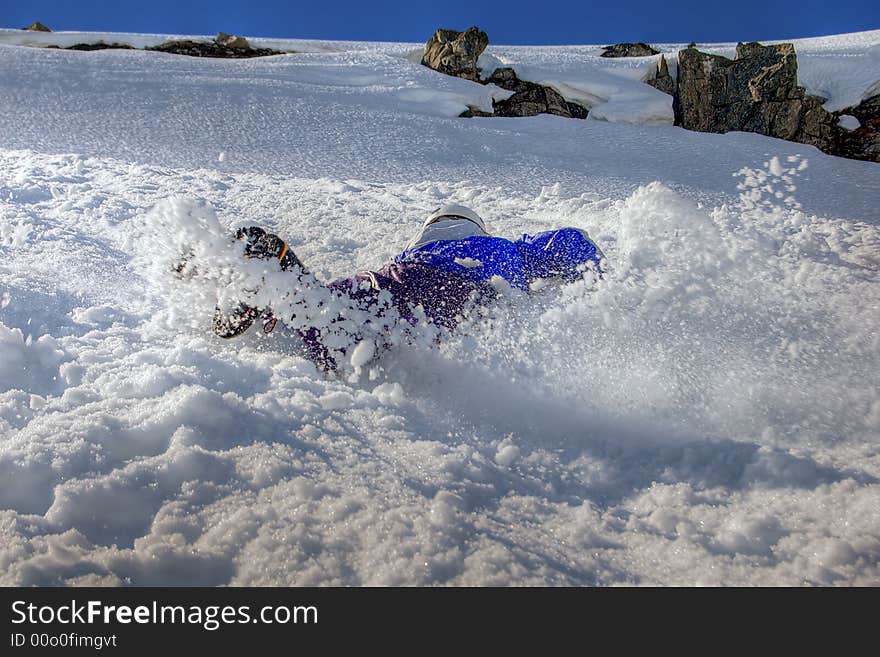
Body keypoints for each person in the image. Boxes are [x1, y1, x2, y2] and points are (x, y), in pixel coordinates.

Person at [212, 203, 603, 370]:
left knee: (333, 312)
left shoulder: (413, 251)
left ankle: (272, 291)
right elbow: (569, 242)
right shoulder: (501, 249)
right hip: (465, 294)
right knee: (378, 342)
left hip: (392, 278)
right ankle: (284, 296)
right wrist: (602, 281)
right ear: (480, 228)